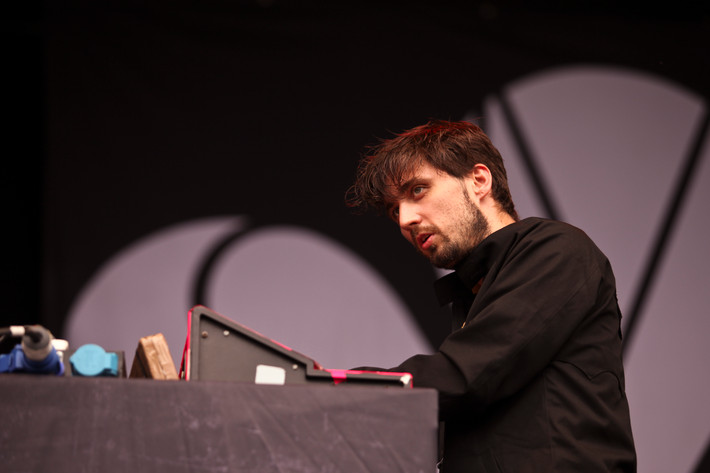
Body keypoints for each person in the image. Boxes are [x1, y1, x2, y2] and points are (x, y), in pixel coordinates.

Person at [346, 120, 636, 472]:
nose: (405, 219)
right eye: (395, 210)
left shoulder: (556, 249)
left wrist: (331, 390)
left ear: (479, 180)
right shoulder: (474, 291)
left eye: (418, 190)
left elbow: (464, 376)